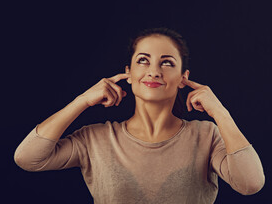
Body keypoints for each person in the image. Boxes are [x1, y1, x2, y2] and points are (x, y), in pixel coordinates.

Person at [14, 27, 265, 203]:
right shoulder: (96, 138)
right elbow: (27, 158)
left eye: (166, 63)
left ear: (183, 78)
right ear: (129, 73)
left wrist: (220, 113)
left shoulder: (206, 136)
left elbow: (251, 184)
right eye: (143, 60)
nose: (154, 71)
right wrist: (81, 101)